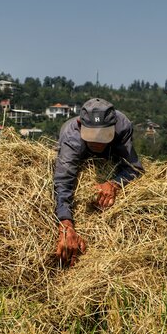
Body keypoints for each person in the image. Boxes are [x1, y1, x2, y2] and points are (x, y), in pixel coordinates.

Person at [54, 98, 144, 267]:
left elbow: (134, 168)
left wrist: (115, 183)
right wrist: (65, 224)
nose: (97, 142)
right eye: (92, 136)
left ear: (113, 127)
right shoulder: (71, 136)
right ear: (81, 125)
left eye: (103, 136)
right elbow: (63, 183)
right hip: (74, 152)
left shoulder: (123, 126)